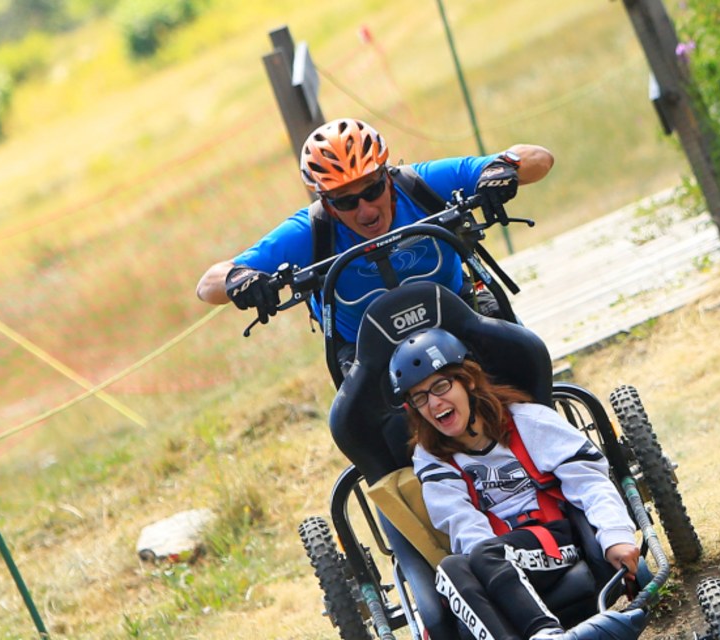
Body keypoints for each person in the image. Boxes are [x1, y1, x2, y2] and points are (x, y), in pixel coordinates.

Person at [194, 117, 554, 372]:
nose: (365, 210)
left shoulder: (419, 184)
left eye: (372, 190)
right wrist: (239, 280)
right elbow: (209, 284)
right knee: (357, 427)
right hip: (370, 353)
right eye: (346, 201)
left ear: (388, 177)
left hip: (460, 313)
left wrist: (501, 171)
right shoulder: (311, 230)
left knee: (525, 361)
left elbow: (538, 157)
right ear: (326, 203)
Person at [391, 328, 640, 640]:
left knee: (483, 556)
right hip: (493, 557)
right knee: (450, 570)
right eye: (420, 397)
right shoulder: (431, 458)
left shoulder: (529, 422)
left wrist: (615, 535)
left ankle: (545, 633)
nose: (434, 403)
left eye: (441, 386)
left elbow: (590, 483)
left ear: (468, 380)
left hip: (555, 543)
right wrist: (487, 573)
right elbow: (461, 523)